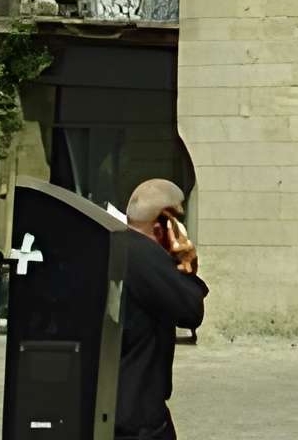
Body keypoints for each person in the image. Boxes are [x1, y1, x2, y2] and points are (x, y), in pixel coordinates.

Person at [116, 178, 207, 440]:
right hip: (137, 414)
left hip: (116, 404)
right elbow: (190, 311)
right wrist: (186, 263)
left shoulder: (118, 246)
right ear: (164, 222)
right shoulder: (146, 256)